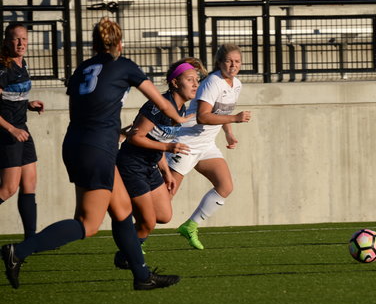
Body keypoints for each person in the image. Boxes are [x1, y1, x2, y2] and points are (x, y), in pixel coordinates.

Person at [1, 17, 188, 290]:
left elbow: (81, 108)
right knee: (87, 224)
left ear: (95, 44)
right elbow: (162, 102)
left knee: (122, 210)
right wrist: (181, 119)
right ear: (119, 44)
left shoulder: (82, 68)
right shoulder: (124, 65)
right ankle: (18, 252)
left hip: (77, 144)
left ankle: (142, 275)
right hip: (98, 149)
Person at [113, 58, 203, 269]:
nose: (195, 84)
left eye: (197, 80)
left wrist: (167, 172)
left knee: (164, 215)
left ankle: (128, 234)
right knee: (148, 222)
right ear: (175, 83)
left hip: (150, 166)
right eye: (190, 79)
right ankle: (126, 254)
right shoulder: (158, 105)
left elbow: (158, 140)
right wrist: (168, 148)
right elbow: (135, 138)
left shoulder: (180, 109)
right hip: (132, 165)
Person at [167, 44, 252, 250]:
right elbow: (203, 116)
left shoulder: (236, 84)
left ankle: (190, 226)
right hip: (187, 143)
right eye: (229, 61)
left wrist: (229, 132)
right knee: (165, 198)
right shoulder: (213, 82)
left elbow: (222, 111)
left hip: (206, 145)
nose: (233, 65)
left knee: (225, 186)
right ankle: (136, 239)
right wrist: (235, 118)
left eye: (237, 61)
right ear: (220, 63)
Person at [0, 23, 45, 240]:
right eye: (16, 39)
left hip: (22, 129)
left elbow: (11, 97)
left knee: (29, 183)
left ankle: (30, 240)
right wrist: (11, 129)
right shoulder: (3, 68)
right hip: (8, 132)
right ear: (7, 42)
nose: (21, 43)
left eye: (24, 39)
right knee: (8, 189)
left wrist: (29, 104)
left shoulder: (22, 63)